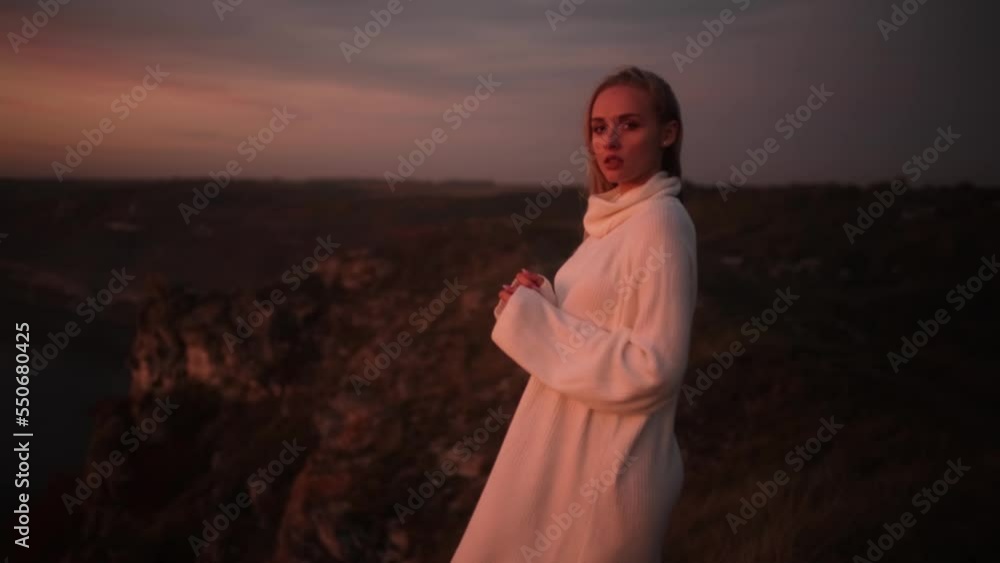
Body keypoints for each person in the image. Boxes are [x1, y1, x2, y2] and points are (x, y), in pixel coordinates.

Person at [451, 65, 697, 562]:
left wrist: (536, 323)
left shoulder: (662, 221)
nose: (610, 139)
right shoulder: (610, 224)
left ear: (667, 133)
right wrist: (543, 300)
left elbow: (654, 368)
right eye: (598, 127)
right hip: (566, 462)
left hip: (609, 477)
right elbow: (599, 327)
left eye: (630, 124)